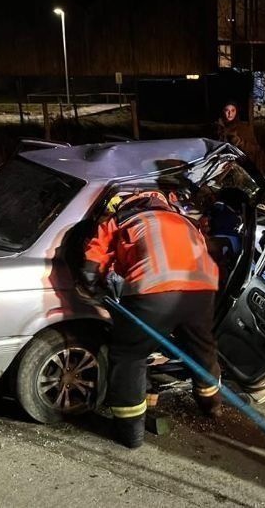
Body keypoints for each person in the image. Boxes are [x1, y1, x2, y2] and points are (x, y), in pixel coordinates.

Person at [79, 190, 222, 449]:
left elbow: (94, 258)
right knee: (202, 347)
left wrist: (91, 282)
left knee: (129, 355)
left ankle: (130, 432)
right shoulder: (184, 220)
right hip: (202, 290)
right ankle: (211, 406)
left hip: (154, 292)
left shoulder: (121, 220)